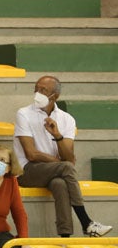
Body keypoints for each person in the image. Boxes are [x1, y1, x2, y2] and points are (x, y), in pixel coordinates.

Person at [13, 75, 112, 238]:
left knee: (60, 184)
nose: (38, 93)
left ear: (55, 96)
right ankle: (86, 222)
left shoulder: (67, 119)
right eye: (36, 88)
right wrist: (60, 162)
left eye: (43, 90)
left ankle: (65, 236)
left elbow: (69, 156)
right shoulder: (24, 114)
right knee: (66, 167)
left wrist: (57, 135)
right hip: (26, 171)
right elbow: (31, 154)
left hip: (53, 172)